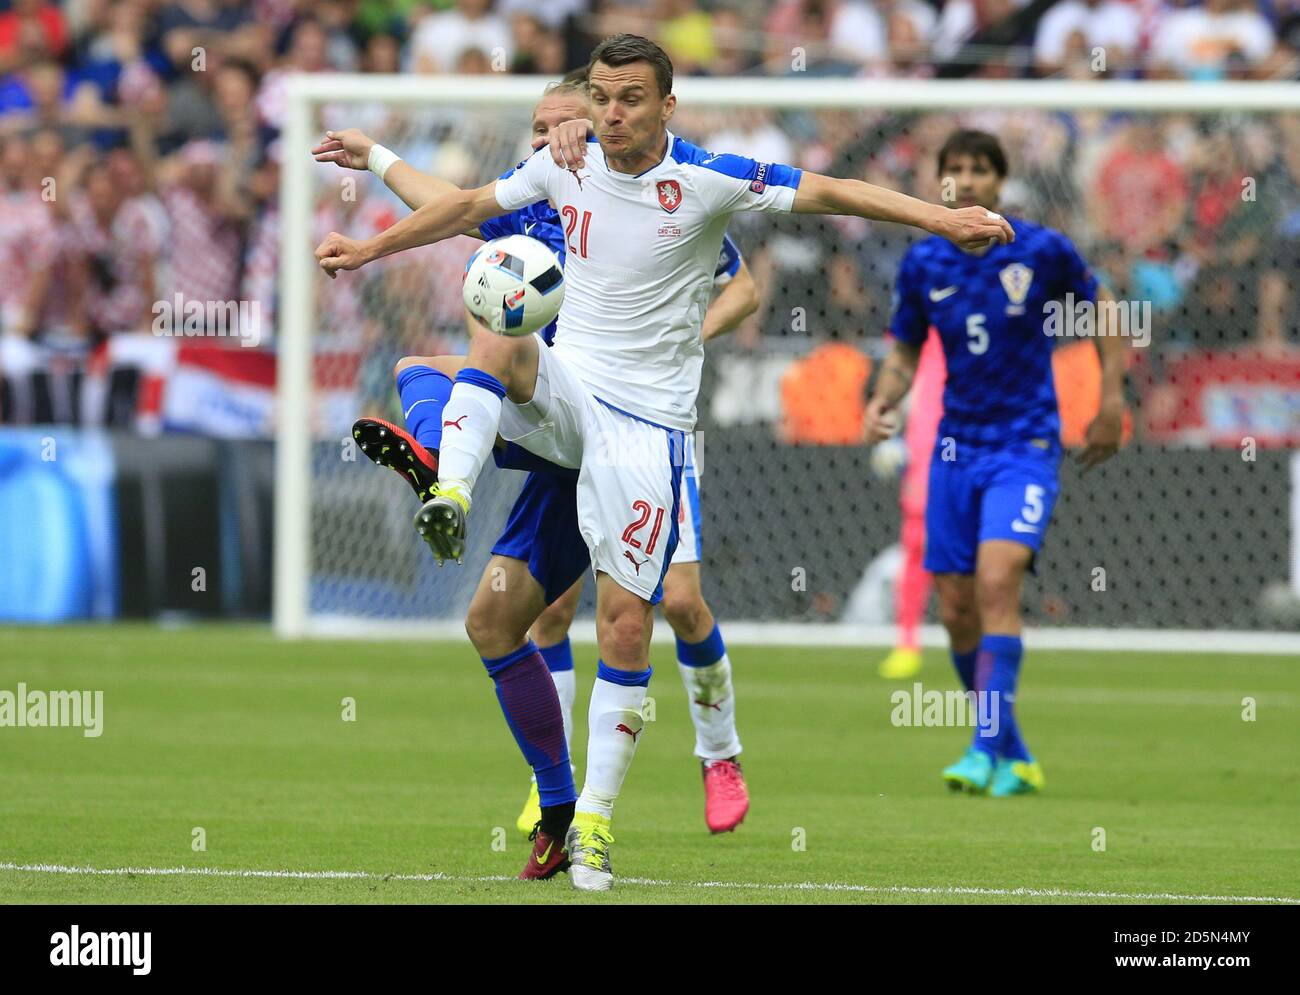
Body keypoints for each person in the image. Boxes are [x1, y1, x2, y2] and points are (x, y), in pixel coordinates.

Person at [315, 34, 1012, 890]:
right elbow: (461, 208)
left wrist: (942, 218)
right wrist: (366, 249)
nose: (611, 113)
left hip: (646, 430)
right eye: (601, 97)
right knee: (492, 313)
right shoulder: (561, 170)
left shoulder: (711, 179)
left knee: (632, 620)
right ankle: (450, 490)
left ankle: (598, 822)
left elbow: (830, 192)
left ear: (666, 106)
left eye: (630, 99)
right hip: (569, 390)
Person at [865, 129, 1125, 797]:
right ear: (941, 181)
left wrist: (1109, 398)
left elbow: (1103, 309)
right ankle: (1012, 750)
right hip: (954, 447)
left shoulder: (1040, 250)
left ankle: (981, 746)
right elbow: (904, 350)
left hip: (1025, 444)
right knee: (955, 609)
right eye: (956, 169)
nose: (968, 180)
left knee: (998, 577)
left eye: (981, 169)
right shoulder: (924, 262)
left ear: (999, 181)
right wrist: (883, 398)